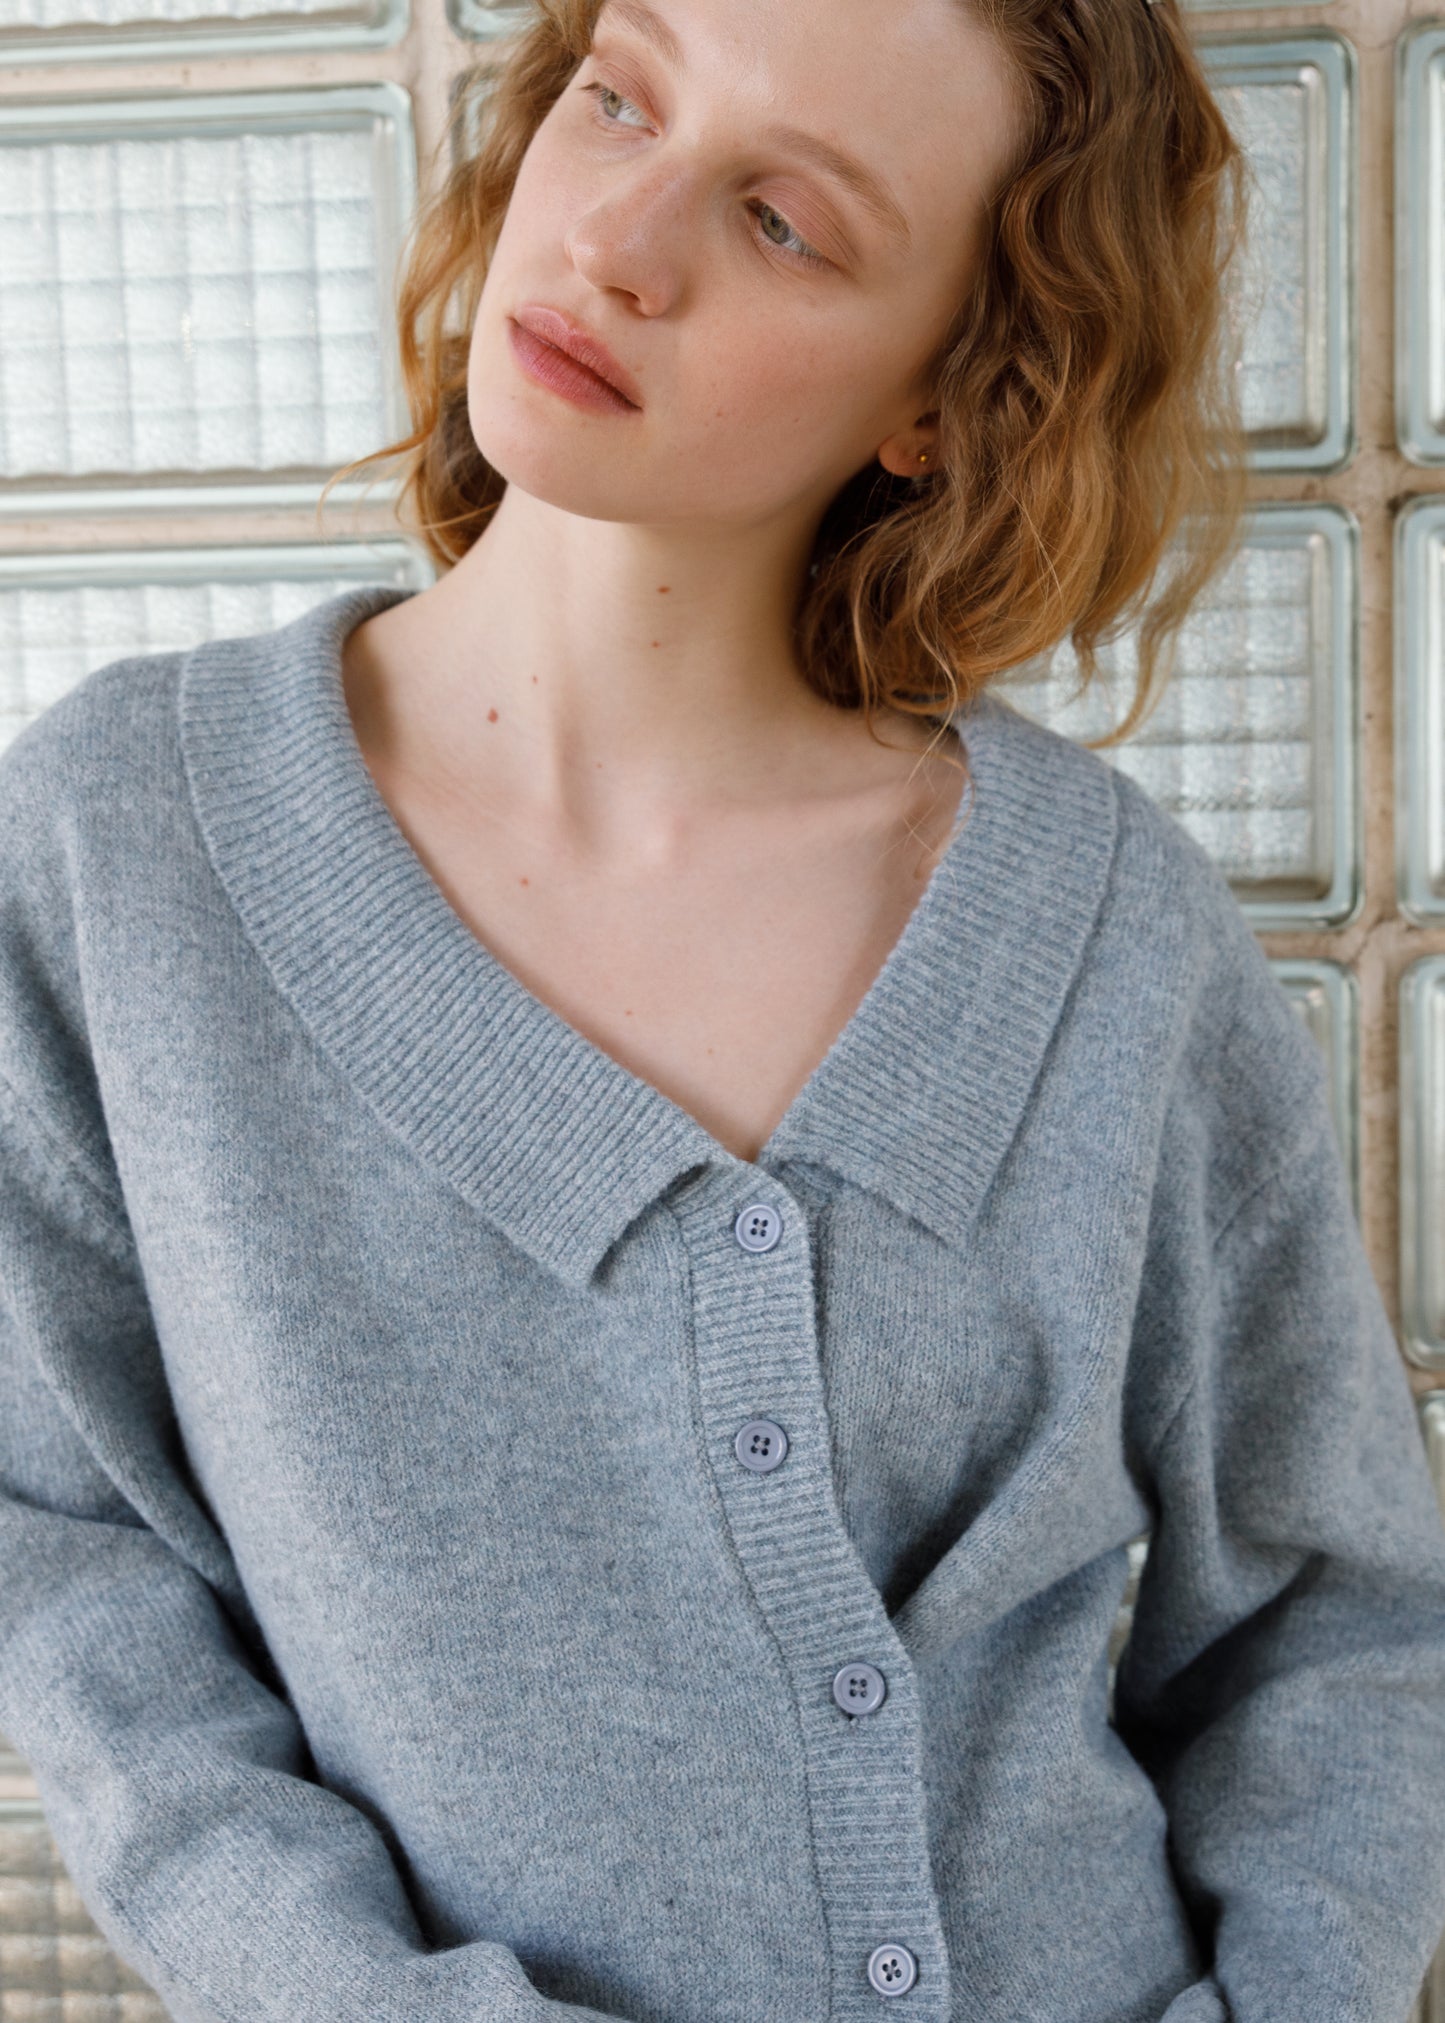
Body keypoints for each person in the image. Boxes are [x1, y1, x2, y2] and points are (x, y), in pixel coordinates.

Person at [2, 1, 1444, 2021]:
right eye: (620, 97)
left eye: (781, 219)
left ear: (939, 395)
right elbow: (74, 1565)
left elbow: (1336, 1621)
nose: (613, 239)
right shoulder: (120, 849)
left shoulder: (1111, 931)